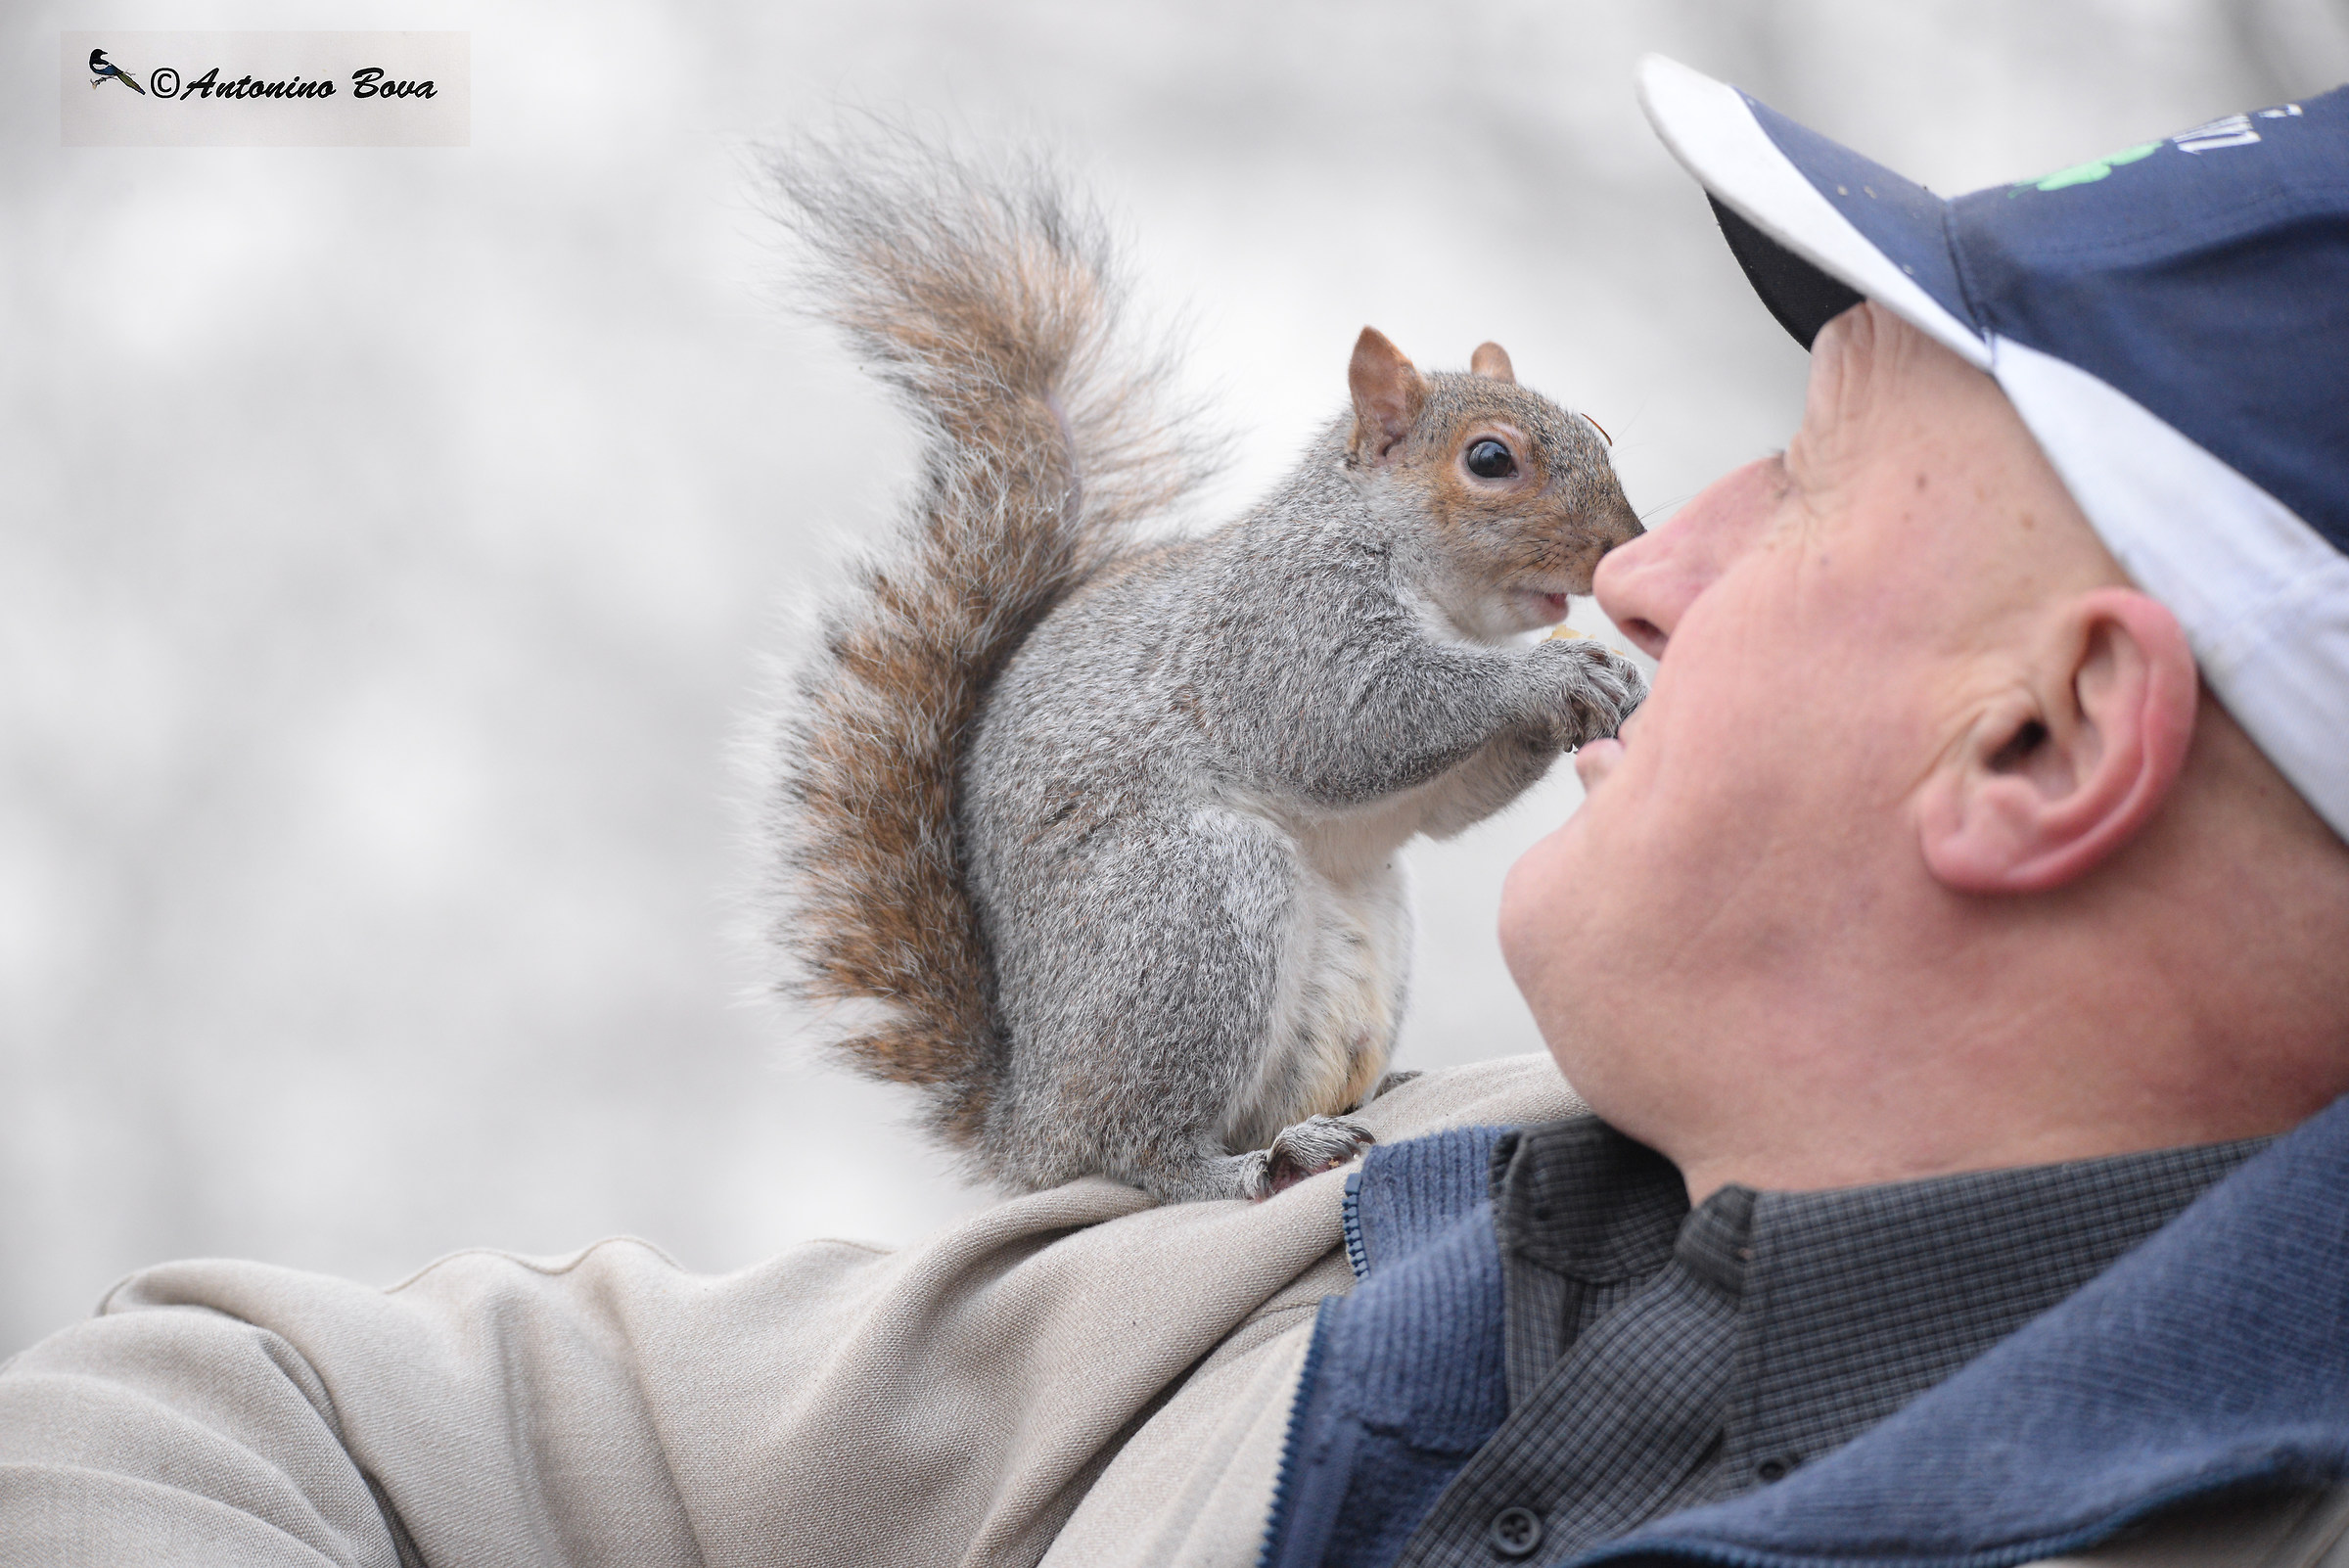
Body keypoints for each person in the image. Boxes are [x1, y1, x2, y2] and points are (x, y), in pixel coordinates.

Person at [3, 56, 2345, 1568]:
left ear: (2043, 746)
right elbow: (234, 1406)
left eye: (1812, 485)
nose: (1642, 563)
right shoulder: (1305, 1273)